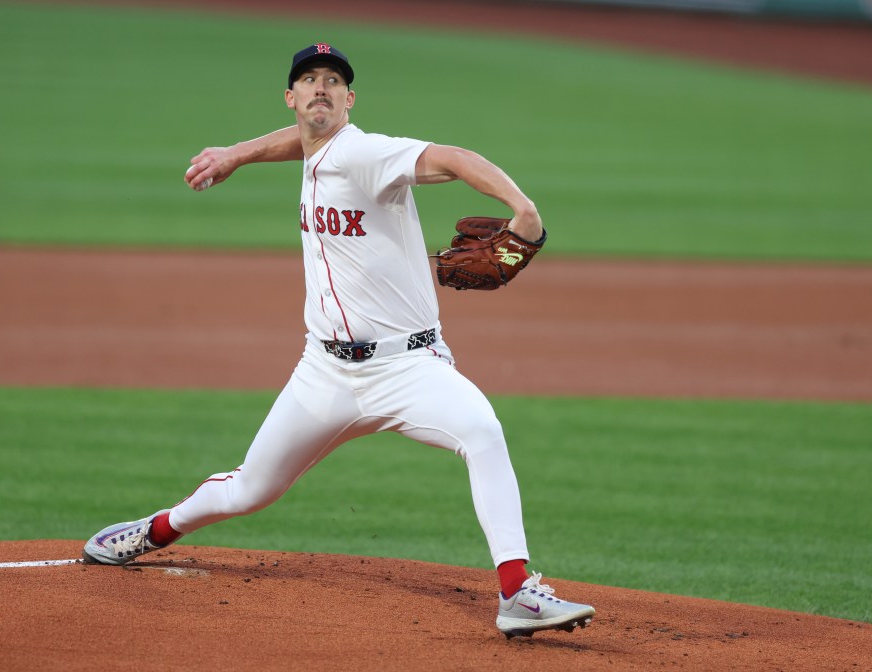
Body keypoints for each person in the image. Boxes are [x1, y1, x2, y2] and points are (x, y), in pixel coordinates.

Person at [83, 42, 595, 638]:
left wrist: (522, 208)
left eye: (332, 82)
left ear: (350, 100)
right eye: (308, 80)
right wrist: (236, 155)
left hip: (409, 369)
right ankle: (155, 530)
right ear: (292, 98)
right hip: (324, 374)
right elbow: (299, 140)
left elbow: (454, 158)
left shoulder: (365, 154)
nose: (319, 89)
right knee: (251, 488)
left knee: (482, 432)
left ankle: (518, 594)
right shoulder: (314, 147)